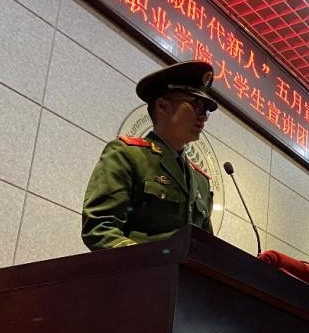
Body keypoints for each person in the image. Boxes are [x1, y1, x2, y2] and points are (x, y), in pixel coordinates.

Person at [82, 60, 218, 250]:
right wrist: (151, 263)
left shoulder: (201, 180)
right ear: (162, 106)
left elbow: (206, 248)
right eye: (197, 105)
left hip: (180, 271)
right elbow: (99, 228)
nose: (203, 116)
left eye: (206, 110)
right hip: (139, 269)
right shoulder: (127, 155)